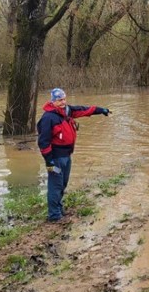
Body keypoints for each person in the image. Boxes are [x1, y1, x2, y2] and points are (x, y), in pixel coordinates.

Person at [36, 88, 111, 223]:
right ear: (53, 101)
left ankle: (59, 208)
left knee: (63, 183)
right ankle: (54, 215)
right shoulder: (48, 118)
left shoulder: (67, 111)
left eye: (64, 99)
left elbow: (83, 110)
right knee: (55, 186)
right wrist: (49, 161)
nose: (63, 102)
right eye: (60, 100)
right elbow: (43, 142)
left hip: (67, 155)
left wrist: (101, 110)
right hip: (55, 158)